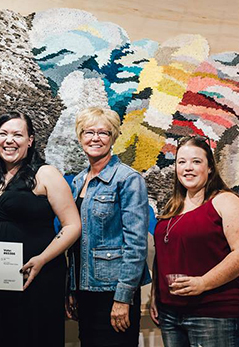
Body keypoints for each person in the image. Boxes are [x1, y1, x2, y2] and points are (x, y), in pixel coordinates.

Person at [0, 111, 81, 347]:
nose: (9, 140)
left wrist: (41, 259)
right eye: (3, 134)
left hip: (36, 280)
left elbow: (73, 225)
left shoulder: (46, 174)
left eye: (17, 134)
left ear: (30, 140)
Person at [150, 135, 239, 347]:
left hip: (215, 313)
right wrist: (156, 294)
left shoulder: (226, 201)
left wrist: (203, 282)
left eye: (196, 161)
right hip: (171, 314)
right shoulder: (172, 207)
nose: (187, 168)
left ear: (209, 168)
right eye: (181, 162)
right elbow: (164, 254)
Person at [65, 106, 151, 347]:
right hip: (85, 292)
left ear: (113, 137)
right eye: (88, 132)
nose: (95, 138)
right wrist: (72, 289)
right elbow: (77, 242)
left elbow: (136, 244)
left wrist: (123, 299)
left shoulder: (127, 179)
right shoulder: (78, 181)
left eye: (103, 132)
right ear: (80, 136)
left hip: (112, 293)